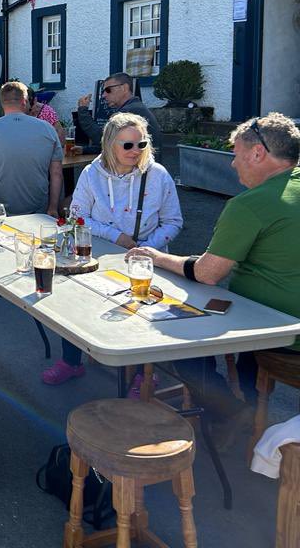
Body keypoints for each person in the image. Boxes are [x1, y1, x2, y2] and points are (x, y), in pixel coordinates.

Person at [124, 113, 300, 440]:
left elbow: (207, 273)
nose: (233, 165)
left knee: (178, 338)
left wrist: (157, 256)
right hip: (282, 323)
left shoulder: (251, 204)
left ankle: (232, 412)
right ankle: (248, 403)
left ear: (258, 153)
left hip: (282, 335)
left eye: (236, 155)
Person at [41, 113, 183, 387]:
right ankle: (71, 361)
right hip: (100, 254)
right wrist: (116, 236)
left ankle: (143, 375)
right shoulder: (92, 174)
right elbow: (78, 216)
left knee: (143, 311)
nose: (135, 151)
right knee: (74, 300)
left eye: (141, 144)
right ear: (109, 144)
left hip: (146, 259)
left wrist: (147, 249)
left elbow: (173, 221)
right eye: (127, 145)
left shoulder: (158, 175)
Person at [0, 81, 63, 217]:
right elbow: (56, 173)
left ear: (2, 103)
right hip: (37, 210)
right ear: (24, 101)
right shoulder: (47, 128)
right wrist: (53, 208)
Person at [77, 72, 162, 156]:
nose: (103, 95)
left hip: (137, 167)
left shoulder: (127, 112)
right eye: (103, 91)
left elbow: (102, 139)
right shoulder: (135, 107)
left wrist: (83, 110)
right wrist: (85, 150)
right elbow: (115, 144)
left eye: (108, 90)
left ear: (124, 88)